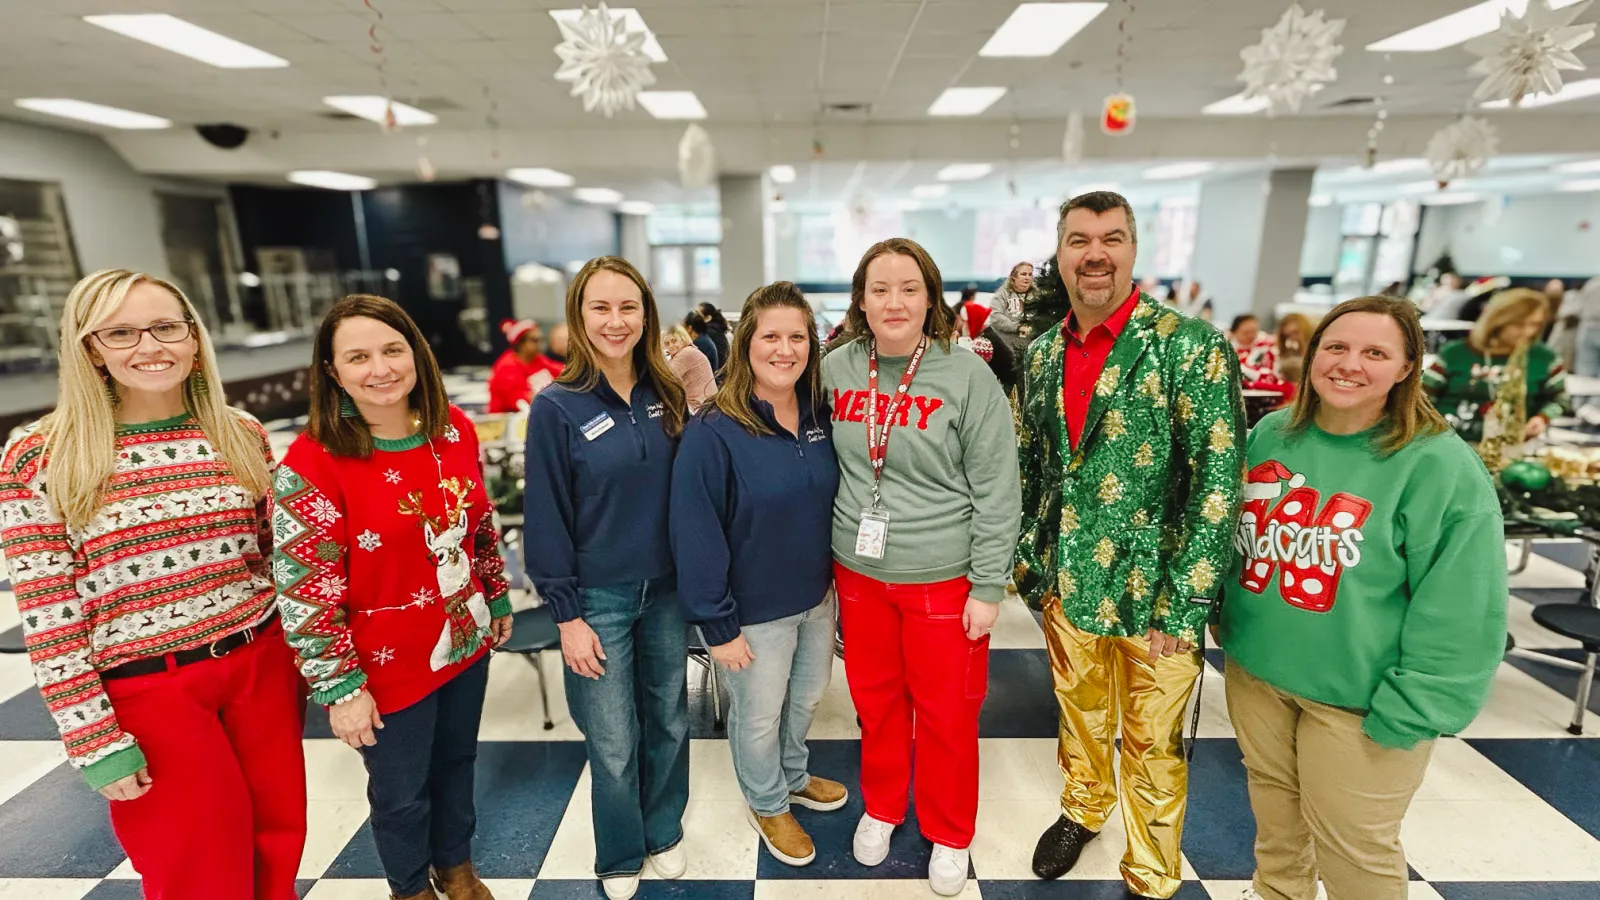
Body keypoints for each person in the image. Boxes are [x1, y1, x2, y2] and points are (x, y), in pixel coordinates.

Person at [0, 269, 305, 899]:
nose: (150, 346)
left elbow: (278, 561)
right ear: (90, 348)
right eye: (121, 332)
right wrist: (92, 737)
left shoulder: (240, 433)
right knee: (197, 871)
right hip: (149, 691)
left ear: (194, 339)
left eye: (167, 327)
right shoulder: (42, 455)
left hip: (260, 667)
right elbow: (49, 612)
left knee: (277, 846)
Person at [1221, 295, 1507, 900]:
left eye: (1375, 352)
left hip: (1360, 703)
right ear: (1313, 352)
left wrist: (1416, 706)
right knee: (1277, 830)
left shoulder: (1438, 466)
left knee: (1355, 851)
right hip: (1258, 675)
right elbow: (1235, 539)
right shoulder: (1273, 433)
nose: (1350, 364)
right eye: (1337, 347)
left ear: (1407, 368)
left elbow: (1462, 608)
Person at [1016, 192, 1245, 899]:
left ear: (1133, 249)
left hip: (1158, 595)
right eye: (1079, 239)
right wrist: (1033, 568)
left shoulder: (1190, 345)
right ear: (1060, 252)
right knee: (1080, 716)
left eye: (1111, 238)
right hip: (1070, 583)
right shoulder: (1045, 352)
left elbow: (1219, 481)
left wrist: (1187, 605)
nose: (1095, 253)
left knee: (1152, 741)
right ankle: (1083, 810)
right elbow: (1034, 467)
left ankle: (1150, 870)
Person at [274, 294, 511, 900]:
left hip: (462, 638)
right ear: (332, 371)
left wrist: (499, 598)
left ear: (417, 354)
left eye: (392, 350)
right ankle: (410, 888)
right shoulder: (314, 461)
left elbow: (479, 522)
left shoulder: (452, 430)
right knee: (401, 791)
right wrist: (338, 688)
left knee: (457, 765)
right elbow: (304, 588)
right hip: (379, 666)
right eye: (357, 356)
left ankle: (456, 866)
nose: (379, 368)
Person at [824, 237, 1021, 897]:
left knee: (945, 713)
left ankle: (950, 829)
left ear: (931, 298)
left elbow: (998, 489)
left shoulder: (965, 376)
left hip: (944, 575)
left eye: (909, 288)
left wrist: (989, 585)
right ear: (860, 299)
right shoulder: (836, 370)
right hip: (858, 573)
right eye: (879, 289)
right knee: (876, 704)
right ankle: (883, 805)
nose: (894, 301)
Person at [523, 256, 691, 900]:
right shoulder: (557, 408)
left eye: (628, 307)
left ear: (646, 314)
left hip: (669, 591)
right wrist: (566, 615)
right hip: (598, 600)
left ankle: (663, 829)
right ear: (579, 315)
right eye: (601, 308)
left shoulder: (667, 392)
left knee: (670, 719)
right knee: (614, 738)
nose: (616, 321)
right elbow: (546, 518)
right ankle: (620, 851)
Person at [671, 281, 847, 868]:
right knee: (759, 714)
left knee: (806, 700)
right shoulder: (715, 429)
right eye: (770, 336)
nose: (784, 348)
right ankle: (768, 801)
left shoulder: (820, 414)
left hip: (815, 599)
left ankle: (793, 776)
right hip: (751, 611)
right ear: (746, 343)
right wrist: (718, 627)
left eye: (797, 336)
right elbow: (695, 534)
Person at [1423, 288, 1570, 468]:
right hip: (1448, 448)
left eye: (1535, 324)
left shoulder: (1544, 358)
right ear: (1498, 321)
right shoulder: (1455, 353)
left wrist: (1541, 418)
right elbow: (1422, 397)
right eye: (1519, 324)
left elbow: (1559, 399)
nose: (1528, 332)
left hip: (1511, 455)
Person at [487, 318, 564, 413]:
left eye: (540, 340)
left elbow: (562, 371)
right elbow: (519, 399)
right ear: (520, 343)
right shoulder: (506, 367)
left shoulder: (537, 359)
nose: (539, 344)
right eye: (534, 340)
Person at [662, 324, 716, 412]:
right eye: (667, 344)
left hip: (697, 407)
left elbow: (664, 377)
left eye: (674, 341)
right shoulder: (691, 350)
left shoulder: (686, 354)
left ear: (683, 338)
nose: (671, 345)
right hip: (707, 405)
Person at [1229, 314, 1280, 388]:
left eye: (1254, 331)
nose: (1251, 335)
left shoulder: (1266, 348)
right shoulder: (1225, 349)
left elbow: (1269, 376)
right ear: (1234, 332)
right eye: (1246, 332)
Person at [696, 300, 732, 371]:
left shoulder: (710, 332)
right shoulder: (717, 328)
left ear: (708, 317)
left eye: (698, 314)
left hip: (718, 374)